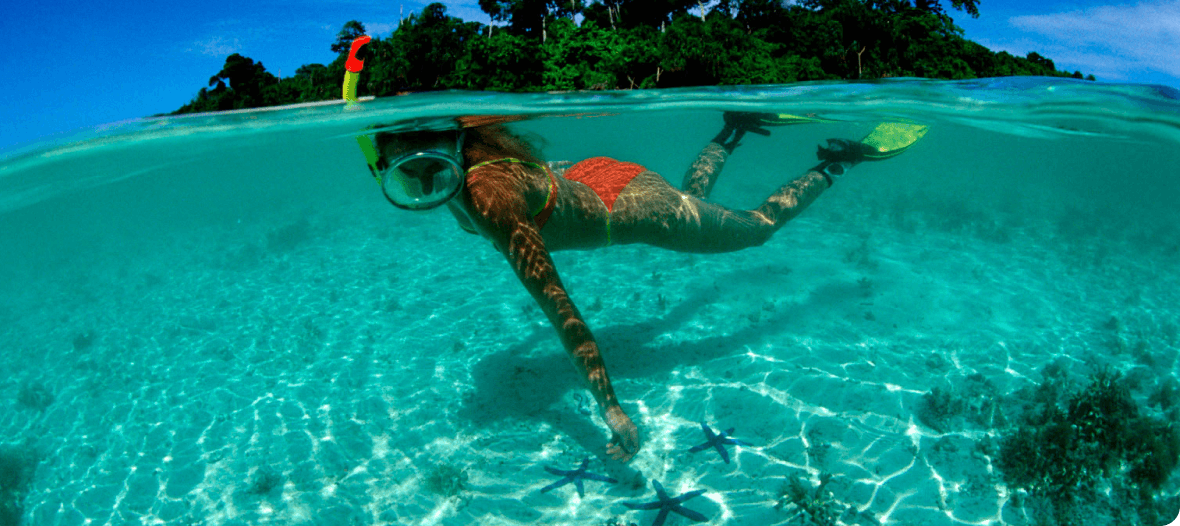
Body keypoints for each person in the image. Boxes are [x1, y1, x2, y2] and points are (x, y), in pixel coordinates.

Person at [357, 113, 922, 462]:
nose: (426, 180)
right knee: (689, 200)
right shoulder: (464, 164)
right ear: (381, 163)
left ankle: (836, 165)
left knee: (755, 230)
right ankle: (733, 128)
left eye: (431, 164)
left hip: (627, 206)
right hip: (596, 174)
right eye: (407, 170)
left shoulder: (488, 198)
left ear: (455, 146)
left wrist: (611, 410)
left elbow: (561, 310)